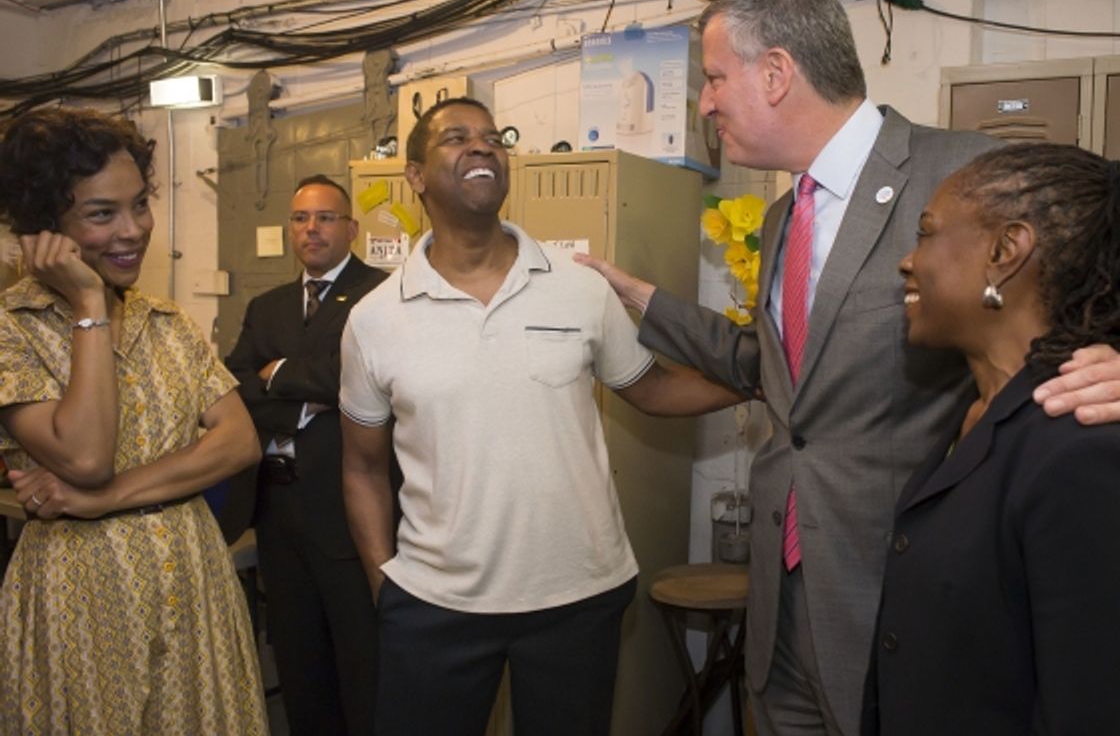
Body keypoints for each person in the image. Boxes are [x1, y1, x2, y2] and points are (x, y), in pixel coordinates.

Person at [576, 0, 1120, 736]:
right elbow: (777, 373)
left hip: (891, 595)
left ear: (776, 73)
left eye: (715, 78)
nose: (703, 102)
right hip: (785, 604)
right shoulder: (781, 216)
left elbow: (1105, 288)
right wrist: (642, 299)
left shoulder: (962, 177)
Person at [339, 97, 745, 735]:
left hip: (576, 596)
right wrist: (383, 584)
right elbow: (361, 467)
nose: (481, 147)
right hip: (435, 602)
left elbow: (654, 389)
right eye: (455, 138)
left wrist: (758, 380)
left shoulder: (576, 285)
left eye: (492, 137)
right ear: (414, 175)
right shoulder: (374, 318)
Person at [861, 143, 1120, 733]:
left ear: (1004, 252)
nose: (907, 262)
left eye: (927, 232)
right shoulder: (978, 413)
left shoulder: (1085, 455)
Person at [0, 107, 268, 733]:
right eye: (102, 214)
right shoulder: (13, 331)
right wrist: (90, 304)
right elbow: (86, 456)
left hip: (194, 583)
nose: (133, 231)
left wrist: (107, 498)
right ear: (47, 232)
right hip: (84, 602)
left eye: (139, 204)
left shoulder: (166, 322)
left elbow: (239, 441)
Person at [226, 174, 395, 736]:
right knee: (299, 662)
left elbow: (362, 378)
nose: (311, 229)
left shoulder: (383, 295)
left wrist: (282, 375)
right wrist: (302, 404)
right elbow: (234, 382)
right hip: (279, 508)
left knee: (361, 656)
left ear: (350, 227)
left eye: (325, 218)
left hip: (348, 506)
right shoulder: (267, 305)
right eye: (301, 218)